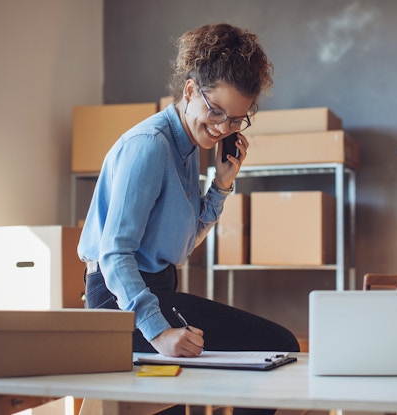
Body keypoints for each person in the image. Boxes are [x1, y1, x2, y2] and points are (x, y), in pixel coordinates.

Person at [77, 23, 300, 361]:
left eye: (237, 120)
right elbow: (114, 254)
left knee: (178, 403)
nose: (224, 127)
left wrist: (221, 185)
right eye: (216, 111)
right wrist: (159, 331)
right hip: (120, 301)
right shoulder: (150, 146)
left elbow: (183, 243)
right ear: (191, 91)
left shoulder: (189, 147)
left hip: (156, 292)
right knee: (278, 345)